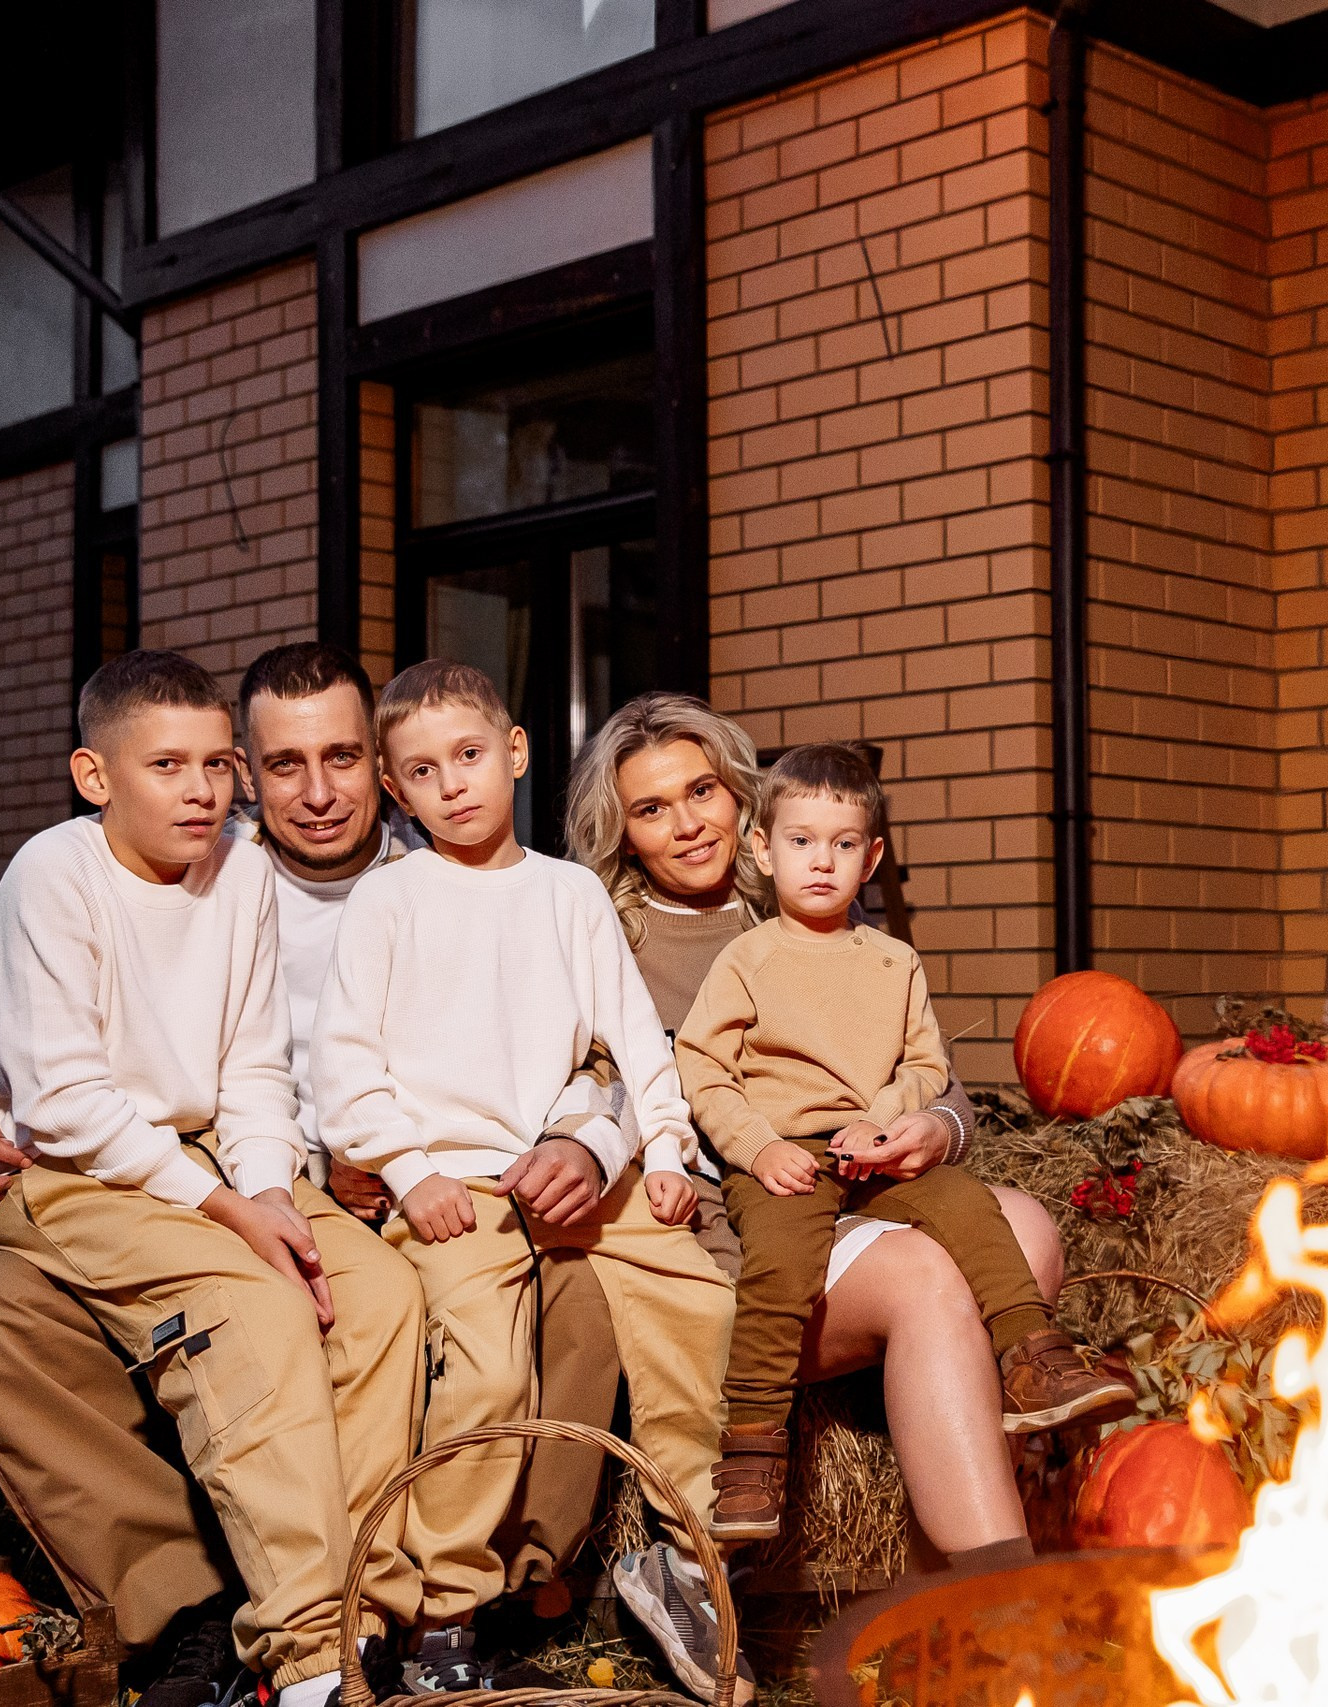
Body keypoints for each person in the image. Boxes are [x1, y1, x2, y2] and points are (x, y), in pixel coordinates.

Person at [0, 644, 626, 1704]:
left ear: (386, 763)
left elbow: (599, 1045)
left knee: (488, 1298)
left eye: (343, 758)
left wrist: (578, 1140)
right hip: (168, 1174)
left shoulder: (465, 865)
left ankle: (437, 1602)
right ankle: (185, 1607)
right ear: (250, 769)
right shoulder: (193, 853)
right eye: (281, 765)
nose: (315, 793)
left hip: (370, 1187)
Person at [0, 649, 422, 1707]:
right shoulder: (52, 876)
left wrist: (262, 1194)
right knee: (250, 1302)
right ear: (94, 776)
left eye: (215, 765)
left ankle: (364, 1613)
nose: (202, 790)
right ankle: (306, 1663)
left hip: (207, 1156)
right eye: (167, 766)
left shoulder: (239, 866)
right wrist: (227, 1216)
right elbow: (63, 1102)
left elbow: (252, 1064)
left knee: (378, 1297)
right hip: (65, 1171)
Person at [561, 693, 1072, 1582]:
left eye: (703, 791)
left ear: (745, 803)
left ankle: (925, 1586)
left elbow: (930, 1069)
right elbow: (595, 1101)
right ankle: (1001, 1593)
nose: (686, 825)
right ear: (622, 831)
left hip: (859, 1187)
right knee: (926, 1280)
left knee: (1027, 1228)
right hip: (740, 1235)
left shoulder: (801, 895)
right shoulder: (611, 944)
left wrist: (931, 1126)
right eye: (651, 809)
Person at [310, 661, 742, 1701]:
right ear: (394, 788)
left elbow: (636, 1042)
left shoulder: (570, 892)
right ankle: (442, 1608)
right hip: (448, 1185)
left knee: (701, 1300)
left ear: (513, 754)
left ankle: (691, 1551)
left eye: (468, 757)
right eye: (421, 770)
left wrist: (671, 1153)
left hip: (566, 1173)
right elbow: (342, 1070)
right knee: (489, 1373)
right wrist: (407, 1171)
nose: (452, 784)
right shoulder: (387, 899)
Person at [678, 743, 1131, 1541]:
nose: (821, 863)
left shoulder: (894, 961)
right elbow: (703, 1069)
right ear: (762, 847)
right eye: (800, 841)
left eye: (843, 844)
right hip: (782, 1152)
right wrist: (755, 1148)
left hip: (871, 1149)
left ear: (872, 855)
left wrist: (890, 1119)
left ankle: (1034, 1353)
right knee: (782, 1259)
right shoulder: (746, 959)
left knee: (968, 1203)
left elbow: (925, 1062)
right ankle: (751, 1448)